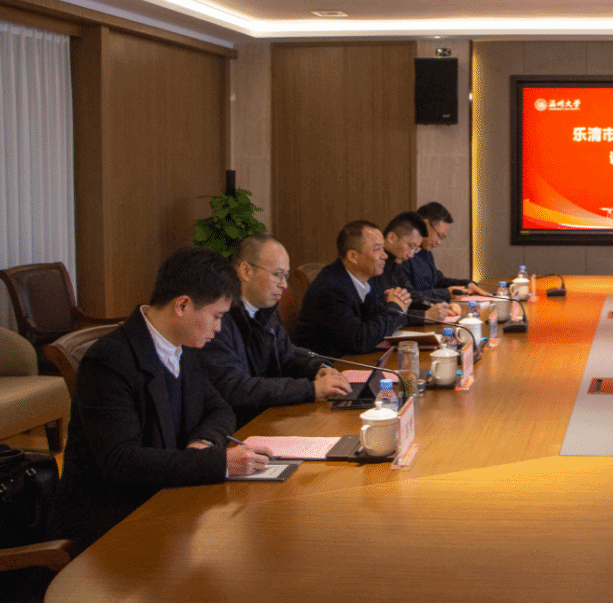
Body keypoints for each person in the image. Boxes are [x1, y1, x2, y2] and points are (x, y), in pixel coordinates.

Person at [51, 247, 271, 554]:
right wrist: (218, 462)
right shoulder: (110, 360)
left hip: (168, 500)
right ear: (182, 305)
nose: (218, 328)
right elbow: (121, 461)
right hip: (114, 526)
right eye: (216, 316)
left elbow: (219, 409)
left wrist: (204, 444)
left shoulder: (182, 347)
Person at [198, 235, 352, 428]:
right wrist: (310, 389)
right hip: (239, 427)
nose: (284, 285)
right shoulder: (217, 318)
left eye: (285, 276)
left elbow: (287, 357)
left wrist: (319, 369)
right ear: (246, 271)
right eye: (277, 274)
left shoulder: (264, 310)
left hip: (268, 416)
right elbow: (235, 387)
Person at [292, 220, 412, 356]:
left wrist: (398, 306)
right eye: (377, 249)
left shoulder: (367, 279)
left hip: (353, 356)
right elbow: (359, 341)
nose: (384, 256)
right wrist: (395, 309)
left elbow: (376, 321)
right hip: (328, 363)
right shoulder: (331, 288)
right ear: (353, 256)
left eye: (383, 249)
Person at [402, 201, 490, 301]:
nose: (438, 242)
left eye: (442, 237)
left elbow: (439, 282)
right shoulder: (404, 254)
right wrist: (446, 294)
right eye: (439, 235)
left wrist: (467, 284)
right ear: (425, 224)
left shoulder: (426, 253)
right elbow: (410, 296)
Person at [379, 211, 459, 319]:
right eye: (411, 246)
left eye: (415, 249)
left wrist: (443, 305)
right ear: (391, 238)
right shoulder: (375, 265)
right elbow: (384, 313)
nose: (411, 255)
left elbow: (412, 296)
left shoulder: (395, 263)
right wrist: (425, 315)